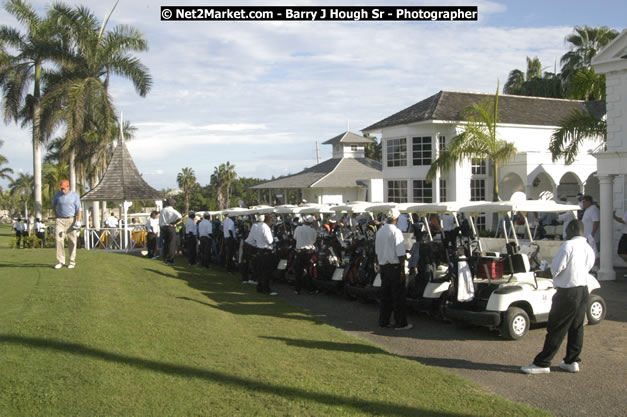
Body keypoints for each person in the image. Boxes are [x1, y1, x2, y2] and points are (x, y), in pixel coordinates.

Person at [521, 220, 594, 374]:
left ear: (573, 229)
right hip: (583, 290)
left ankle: (542, 363)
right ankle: (572, 360)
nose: (565, 232)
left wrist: (549, 271)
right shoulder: (588, 247)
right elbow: (589, 267)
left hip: (567, 291)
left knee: (556, 327)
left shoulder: (568, 245)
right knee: (576, 327)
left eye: (567, 229)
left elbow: (556, 268)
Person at [375, 208, 412, 330]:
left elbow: (377, 251)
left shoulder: (380, 231)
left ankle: (383, 321)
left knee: (385, 297)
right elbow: (400, 254)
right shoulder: (396, 232)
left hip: (384, 267)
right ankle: (401, 323)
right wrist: (402, 271)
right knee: (398, 297)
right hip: (395, 267)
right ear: (396, 219)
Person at [51, 179, 82, 269]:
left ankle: (72, 261)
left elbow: (79, 209)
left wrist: (78, 221)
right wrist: (56, 216)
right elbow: (53, 205)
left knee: (72, 241)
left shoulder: (74, 195)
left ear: (68, 187)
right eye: (61, 188)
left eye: (64, 188)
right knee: (58, 239)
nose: (62, 190)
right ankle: (60, 261)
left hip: (71, 220)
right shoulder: (58, 194)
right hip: (60, 220)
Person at [293, 215, 318, 295]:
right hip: (309, 252)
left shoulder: (298, 228)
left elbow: (295, 238)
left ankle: (297, 289)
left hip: (300, 252)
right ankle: (310, 289)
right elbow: (314, 241)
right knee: (309, 271)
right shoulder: (313, 230)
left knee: (298, 272)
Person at [255, 214, 278, 296]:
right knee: (266, 272)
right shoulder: (266, 228)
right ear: (270, 220)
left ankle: (260, 287)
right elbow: (270, 241)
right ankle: (266, 289)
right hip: (266, 251)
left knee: (261, 272)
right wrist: (275, 239)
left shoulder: (259, 226)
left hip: (259, 250)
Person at [159, 198, 182, 265]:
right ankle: (170, 260)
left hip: (163, 228)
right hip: (170, 227)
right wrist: (174, 223)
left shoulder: (162, 210)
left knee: (166, 243)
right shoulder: (171, 210)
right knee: (171, 244)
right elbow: (180, 217)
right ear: (172, 204)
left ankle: (165, 258)